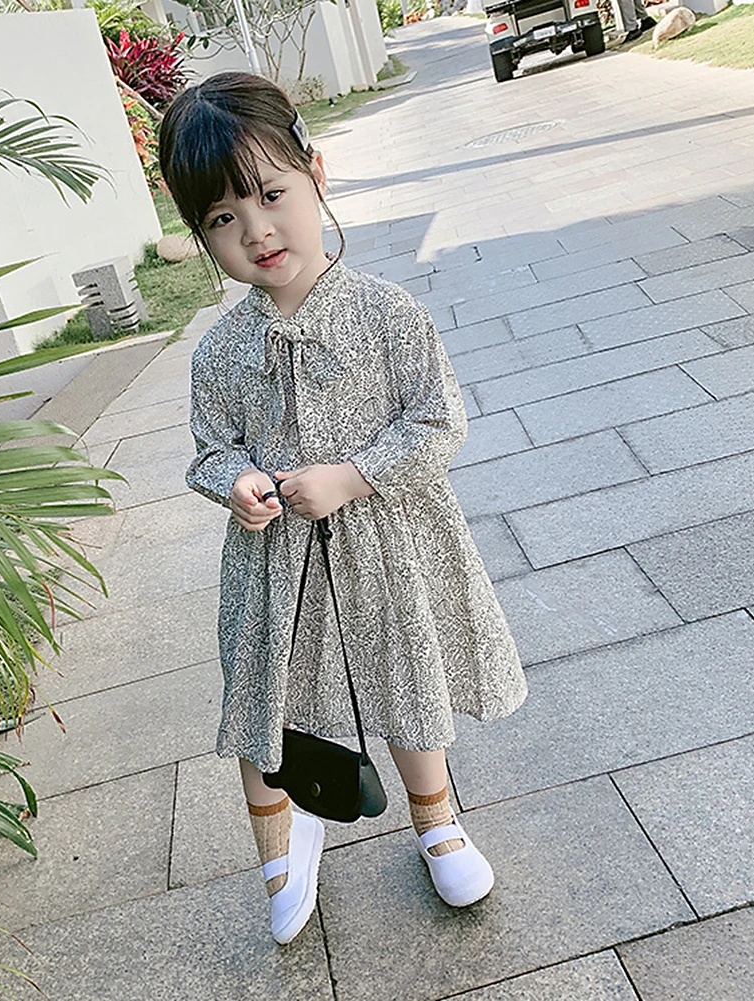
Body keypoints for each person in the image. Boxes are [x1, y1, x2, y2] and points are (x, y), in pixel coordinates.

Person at [158, 72, 528, 946]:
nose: (256, 231)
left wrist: (354, 475)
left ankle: (436, 819)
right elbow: (210, 449)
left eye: (271, 195)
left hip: (386, 542)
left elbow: (438, 420)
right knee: (263, 695)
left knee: (405, 672)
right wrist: (237, 482)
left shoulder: (386, 313)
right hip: (273, 564)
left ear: (314, 174)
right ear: (201, 235)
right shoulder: (219, 352)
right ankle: (282, 839)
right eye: (221, 218)